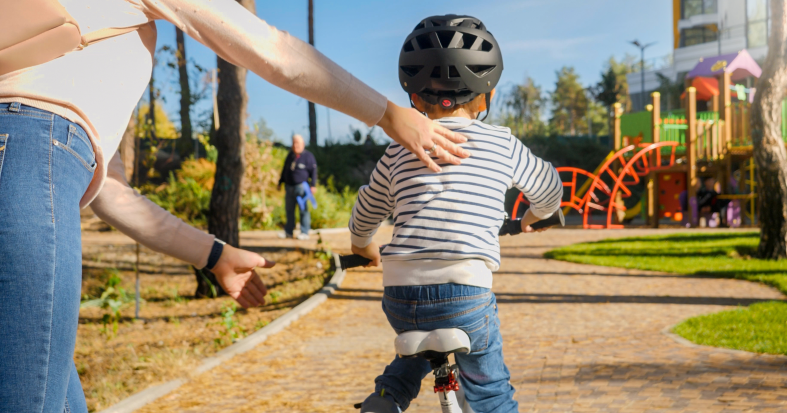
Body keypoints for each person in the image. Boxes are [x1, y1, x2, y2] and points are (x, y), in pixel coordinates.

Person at [0, 1, 474, 412]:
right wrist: (390, 115)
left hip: (32, 163)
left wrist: (214, 256)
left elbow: (111, 192)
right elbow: (270, 50)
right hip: (26, 159)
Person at [350, 15, 563, 413]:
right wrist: (534, 218)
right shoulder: (502, 143)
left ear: (413, 97)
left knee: (414, 347)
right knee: (491, 390)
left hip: (400, 298)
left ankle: (387, 398)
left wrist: (361, 245)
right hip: (466, 296)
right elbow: (549, 189)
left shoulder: (397, 149)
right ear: (488, 95)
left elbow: (366, 210)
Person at [279, 134, 317, 240]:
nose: (295, 145)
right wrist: (280, 182)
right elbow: (284, 170)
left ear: (303, 144)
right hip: (289, 187)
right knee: (289, 210)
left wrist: (313, 185)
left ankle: (304, 232)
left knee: (303, 210)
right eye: (294, 143)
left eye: (298, 143)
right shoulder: (290, 155)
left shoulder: (308, 156)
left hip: (301, 187)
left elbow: (314, 171)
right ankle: (288, 232)